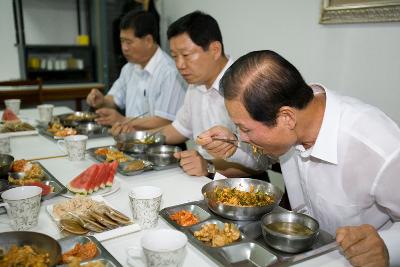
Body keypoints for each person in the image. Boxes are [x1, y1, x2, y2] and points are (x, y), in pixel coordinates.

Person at [197, 50, 400, 266]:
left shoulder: (378, 147)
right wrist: (233, 146)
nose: (242, 136)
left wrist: (386, 246)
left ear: (286, 117)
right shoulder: (296, 115)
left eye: (244, 128)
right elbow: (266, 159)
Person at [112, 11, 263, 178]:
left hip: (243, 185)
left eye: (186, 55)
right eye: (174, 57)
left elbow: (259, 161)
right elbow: (179, 128)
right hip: (203, 175)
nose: (179, 65)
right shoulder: (195, 84)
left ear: (215, 49)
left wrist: (209, 167)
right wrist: (135, 137)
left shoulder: (245, 84)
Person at [86, 10, 186, 129]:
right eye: (122, 41)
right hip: (133, 141)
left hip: (163, 144)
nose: (124, 48)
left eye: (129, 42)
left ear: (148, 41)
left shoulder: (169, 72)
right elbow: (114, 99)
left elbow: (165, 122)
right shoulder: (129, 68)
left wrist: (123, 120)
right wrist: (102, 101)